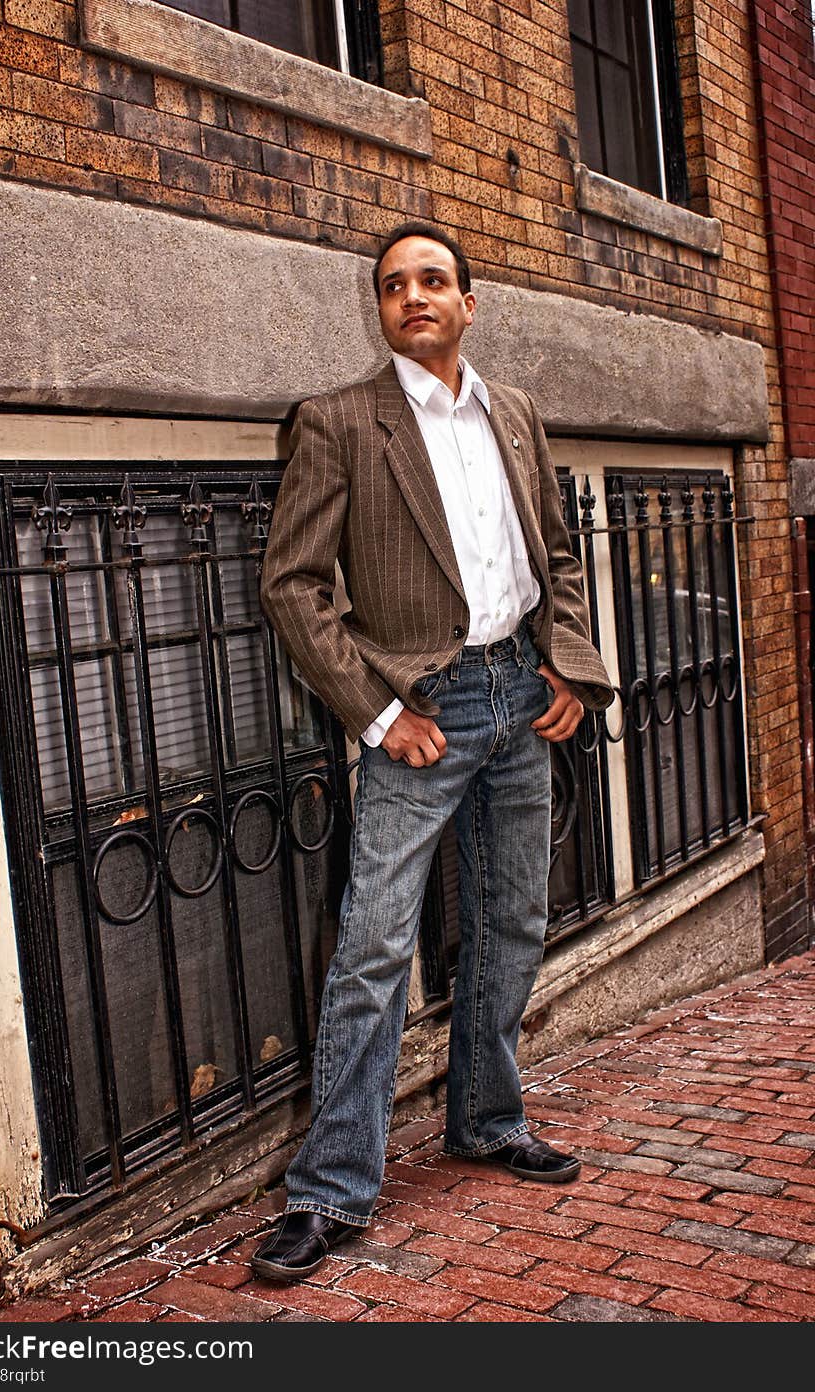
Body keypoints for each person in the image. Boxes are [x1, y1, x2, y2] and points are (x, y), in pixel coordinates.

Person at [252, 221, 613, 1282]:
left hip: (520, 695)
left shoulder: (518, 415)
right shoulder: (335, 423)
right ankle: (329, 1193)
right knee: (374, 947)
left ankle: (487, 1119)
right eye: (392, 285)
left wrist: (570, 669)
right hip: (424, 710)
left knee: (511, 921)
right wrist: (375, 714)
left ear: (469, 300)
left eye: (432, 280)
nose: (412, 296)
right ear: (381, 307)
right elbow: (294, 586)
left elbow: (557, 553)